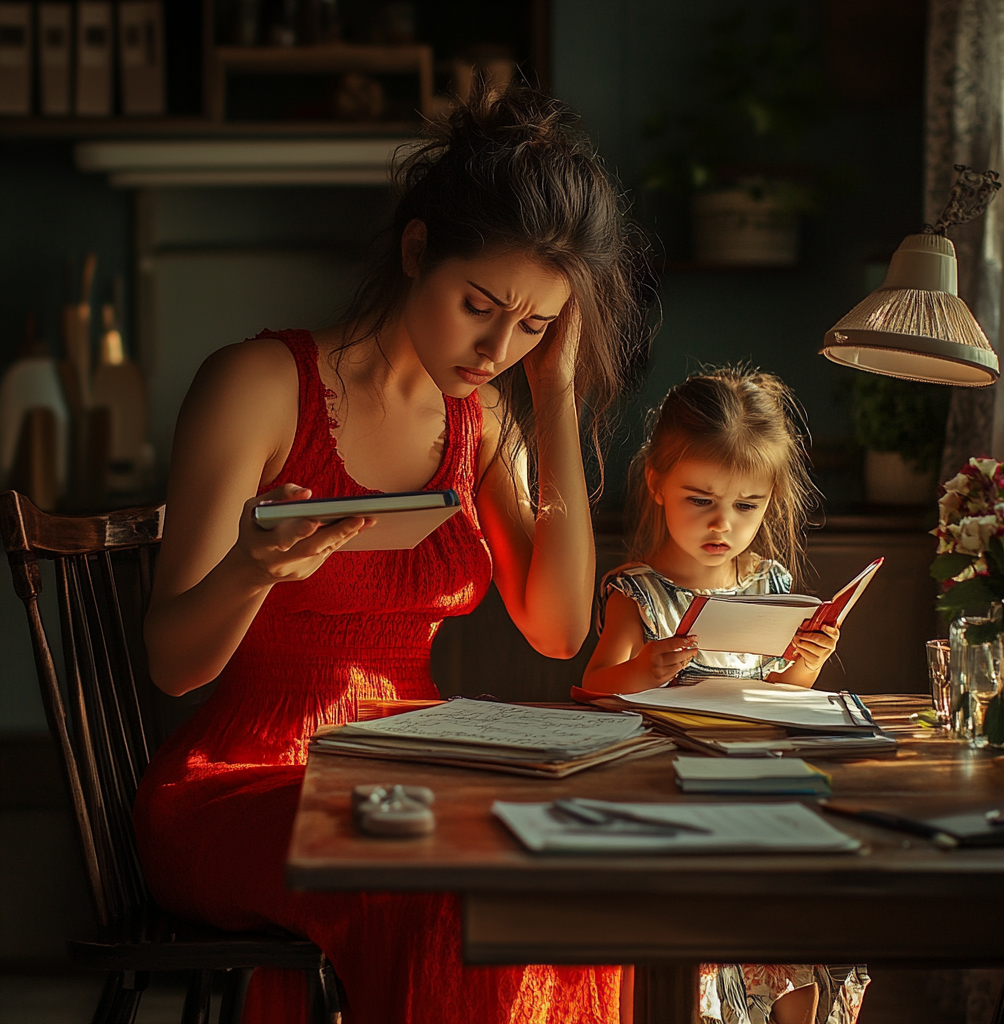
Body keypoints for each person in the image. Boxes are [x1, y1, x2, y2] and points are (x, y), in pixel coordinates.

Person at [134, 84, 649, 1024]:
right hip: (246, 778)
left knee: (578, 860)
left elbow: (558, 626)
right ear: (419, 250)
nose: (497, 345)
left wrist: (558, 389)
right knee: (450, 888)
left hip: (413, 763)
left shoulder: (484, 416)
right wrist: (255, 568)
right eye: (479, 306)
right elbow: (174, 666)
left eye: (532, 325)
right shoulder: (258, 384)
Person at [583, 368, 869, 1024]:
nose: (724, 523)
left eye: (748, 506)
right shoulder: (638, 591)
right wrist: (647, 667)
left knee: (796, 953)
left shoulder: (770, 581)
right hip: (671, 792)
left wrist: (804, 667)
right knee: (700, 956)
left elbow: (770, 698)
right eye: (700, 499)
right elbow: (596, 688)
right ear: (655, 481)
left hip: (755, 787)